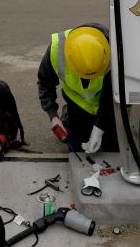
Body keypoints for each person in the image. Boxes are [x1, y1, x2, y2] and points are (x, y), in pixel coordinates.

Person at [37, 23, 118, 154]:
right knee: (77, 149)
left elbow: (113, 94)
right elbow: (45, 82)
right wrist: (53, 116)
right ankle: (67, 117)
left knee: (114, 150)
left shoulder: (115, 50)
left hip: (109, 107)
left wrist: (99, 128)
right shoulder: (57, 49)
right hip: (76, 105)